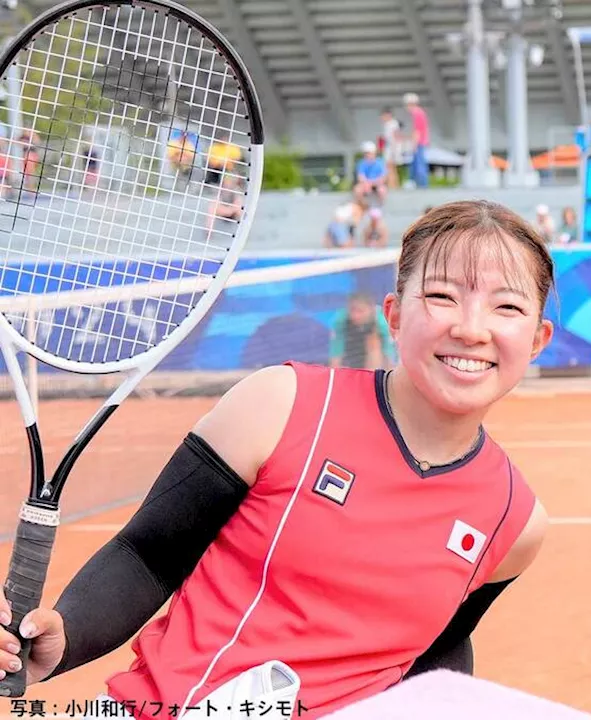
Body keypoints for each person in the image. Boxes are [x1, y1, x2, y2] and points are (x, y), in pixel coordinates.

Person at [1, 200, 558, 719]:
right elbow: (149, 555)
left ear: (537, 339)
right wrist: (67, 633)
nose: (470, 328)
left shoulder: (515, 520)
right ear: (393, 314)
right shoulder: (281, 404)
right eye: (441, 296)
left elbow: (438, 648)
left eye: (506, 306)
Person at [330, 292, 395, 369]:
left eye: (360, 311)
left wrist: (389, 372)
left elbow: (389, 351)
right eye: (352, 310)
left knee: (373, 341)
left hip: (375, 353)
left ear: (371, 310)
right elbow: (336, 348)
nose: (355, 316)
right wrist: (334, 371)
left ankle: (371, 375)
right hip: (350, 352)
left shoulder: (382, 322)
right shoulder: (340, 320)